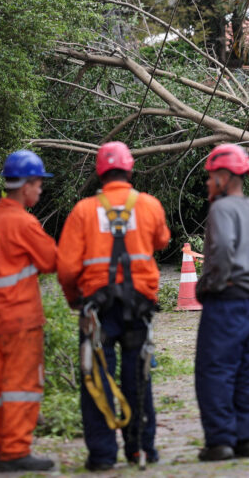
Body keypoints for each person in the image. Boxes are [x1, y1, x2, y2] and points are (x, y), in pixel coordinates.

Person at [57, 141, 171, 470]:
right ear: (129, 169)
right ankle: (141, 450)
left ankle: (103, 455)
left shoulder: (83, 211)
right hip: (138, 306)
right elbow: (162, 240)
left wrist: (74, 300)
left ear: (100, 173)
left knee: (97, 377)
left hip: (97, 309)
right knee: (138, 377)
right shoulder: (148, 205)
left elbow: (66, 268)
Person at [0, 150, 58, 472]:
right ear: (26, 186)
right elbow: (51, 260)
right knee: (21, 387)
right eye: (39, 184)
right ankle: (15, 451)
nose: (40, 190)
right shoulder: (23, 222)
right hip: (21, 318)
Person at [195, 143, 249, 462]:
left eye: (210, 177)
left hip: (223, 303)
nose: (208, 182)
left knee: (215, 371)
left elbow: (223, 248)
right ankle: (247, 438)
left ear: (223, 177)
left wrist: (213, 282)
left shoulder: (220, 210)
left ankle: (220, 441)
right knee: (244, 372)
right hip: (248, 305)